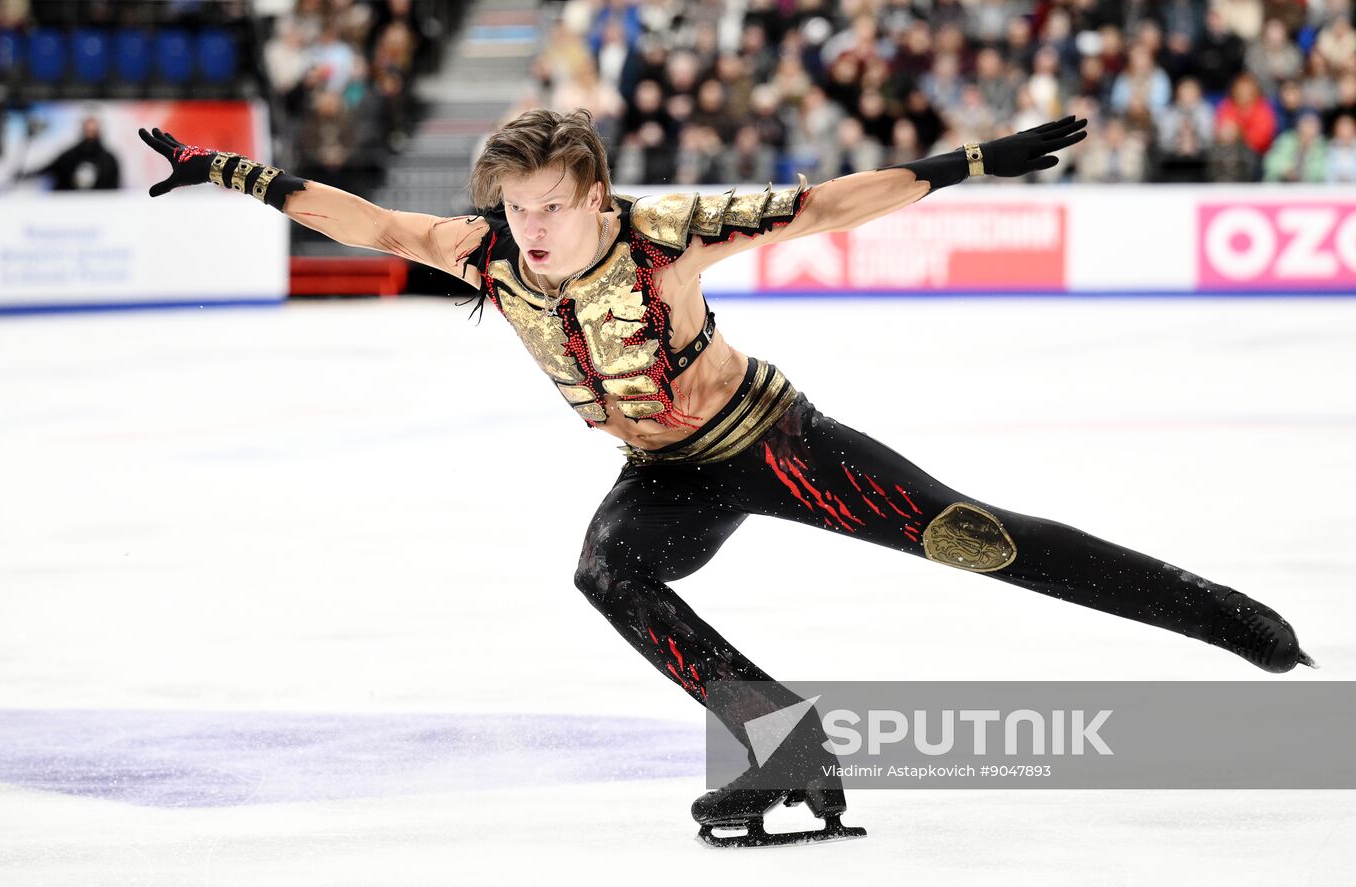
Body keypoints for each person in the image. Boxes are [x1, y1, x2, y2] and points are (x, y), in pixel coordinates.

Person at [137, 109, 1313, 849]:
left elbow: (829, 204)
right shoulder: (483, 252)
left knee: (975, 537)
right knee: (607, 571)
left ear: (596, 197)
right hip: (667, 470)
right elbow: (363, 219)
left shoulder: (668, 231)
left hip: (776, 438)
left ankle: (1235, 622)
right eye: (514, 208)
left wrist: (970, 161)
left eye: (549, 208)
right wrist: (233, 171)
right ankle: (784, 741)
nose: (529, 229)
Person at [33, 115, 120, 191]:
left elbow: (114, 188)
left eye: (93, 132)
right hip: (69, 206)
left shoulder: (108, 160)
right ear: (83, 131)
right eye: (88, 131)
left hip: (99, 206)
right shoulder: (69, 156)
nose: (90, 136)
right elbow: (50, 169)